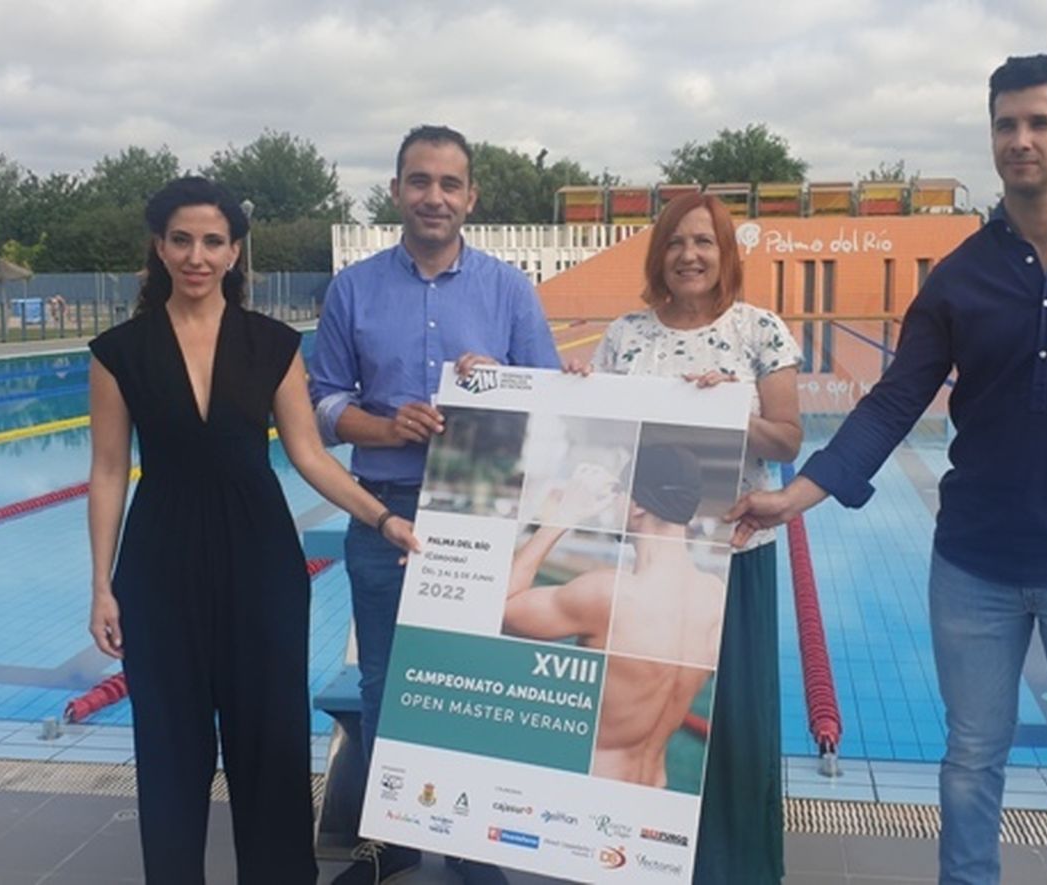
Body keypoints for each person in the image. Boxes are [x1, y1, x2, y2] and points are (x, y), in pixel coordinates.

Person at [728, 54, 1047, 885]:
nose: (1019, 140)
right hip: (974, 564)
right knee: (970, 762)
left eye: (1039, 124)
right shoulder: (958, 276)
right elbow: (889, 402)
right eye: (1005, 125)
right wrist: (798, 496)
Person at [86, 176, 419, 884]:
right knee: (170, 747)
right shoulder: (119, 351)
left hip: (260, 561)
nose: (196, 255)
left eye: (212, 241)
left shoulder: (270, 344)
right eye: (182, 239)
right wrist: (100, 586)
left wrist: (382, 516)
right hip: (159, 565)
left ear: (235, 251)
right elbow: (109, 471)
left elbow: (309, 454)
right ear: (159, 246)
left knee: (268, 744)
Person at [309, 124, 561, 885]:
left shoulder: (508, 289)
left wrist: (502, 388)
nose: (434, 197)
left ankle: (472, 839)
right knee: (387, 676)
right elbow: (323, 404)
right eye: (419, 181)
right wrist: (386, 425)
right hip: (381, 503)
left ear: (470, 197)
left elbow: (549, 401)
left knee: (470, 674)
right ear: (395, 192)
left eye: (450, 184)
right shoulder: (353, 289)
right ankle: (396, 835)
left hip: (480, 507)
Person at [567, 193, 801, 884]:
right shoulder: (625, 335)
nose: (690, 255)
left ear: (725, 253)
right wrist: (579, 389)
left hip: (732, 557)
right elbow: (602, 435)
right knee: (638, 716)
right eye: (676, 243)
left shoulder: (760, 331)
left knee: (732, 722)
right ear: (658, 255)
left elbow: (789, 437)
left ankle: (732, 868)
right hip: (647, 560)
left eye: (703, 242)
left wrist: (734, 405)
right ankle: (633, 861)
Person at [502, 447, 724, 786]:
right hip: (655, 797)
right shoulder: (715, 598)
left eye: (619, 493)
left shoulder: (610, 594)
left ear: (636, 505)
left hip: (592, 794)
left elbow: (502, 606)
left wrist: (564, 515)